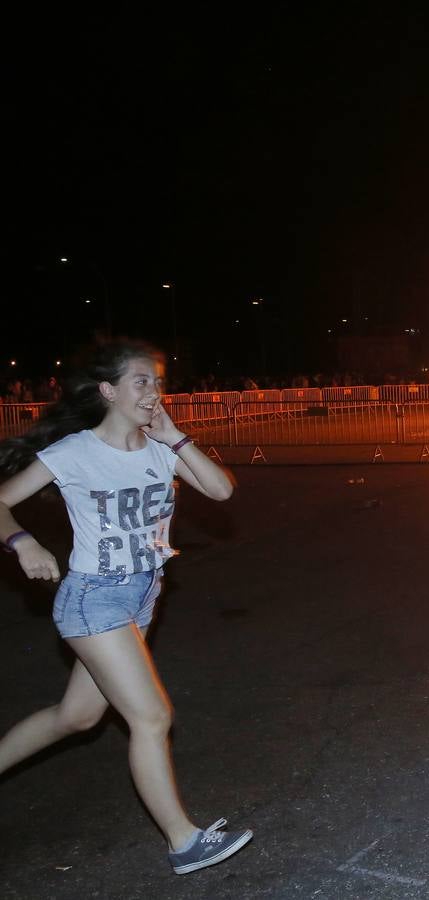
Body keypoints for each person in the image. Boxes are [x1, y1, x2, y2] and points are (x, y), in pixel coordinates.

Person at [0, 339, 252, 875]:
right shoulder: (74, 452)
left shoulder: (164, 447)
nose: (154, 392)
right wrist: (23, 543)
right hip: (94, 598)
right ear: (109, 390)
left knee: (77, 716)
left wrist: (176, 438)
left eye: (159, 382)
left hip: (142, 595)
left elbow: (221, 492)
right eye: (142, 381)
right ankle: (184, 843)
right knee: (152, 716)